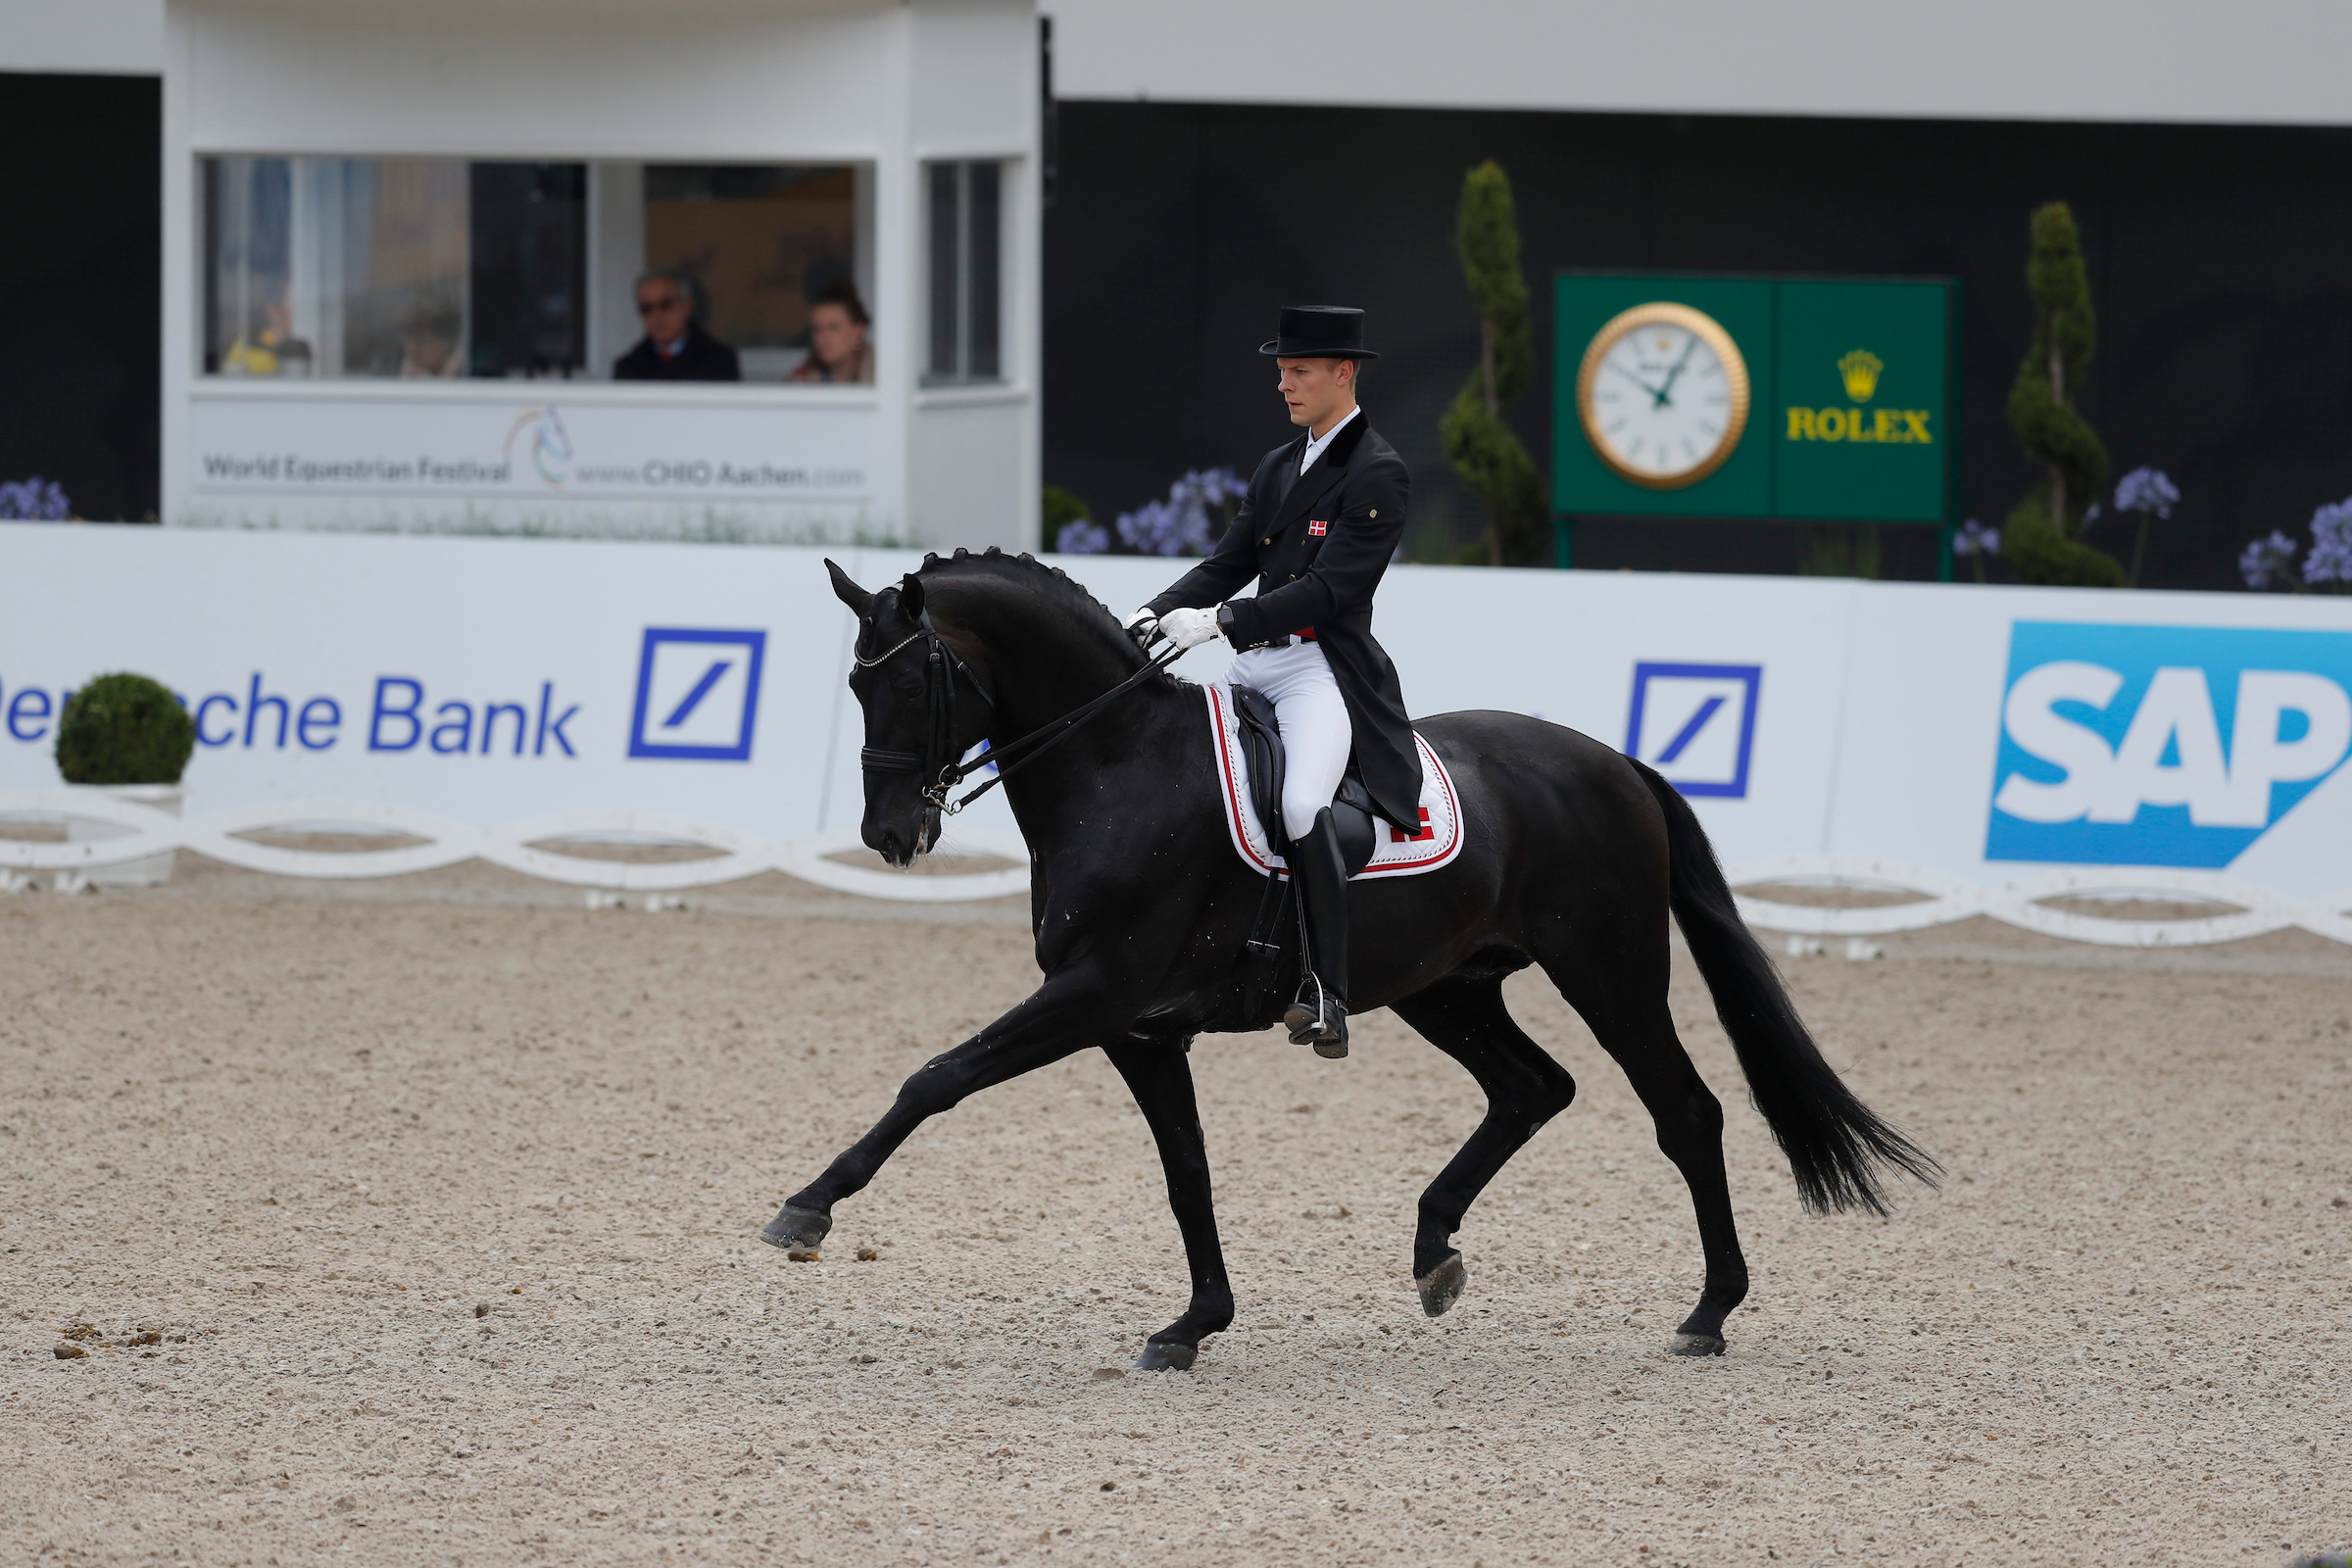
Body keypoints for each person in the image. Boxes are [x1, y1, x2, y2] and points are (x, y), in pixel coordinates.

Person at [1126, 305, 1419, 1061]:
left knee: (1297, 801)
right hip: (1253, 661)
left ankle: (1328, 989)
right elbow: (1228, 561)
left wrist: (1220, 622)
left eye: (1300, 372)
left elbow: (1332, 590)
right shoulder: (1278, 465)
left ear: (1342, 373)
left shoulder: (1378, 470)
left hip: (1320, 666)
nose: (1284, 385)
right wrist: (1155, 611)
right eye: (1282, 372)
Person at [613, 270, 741, 381]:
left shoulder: (719, 361)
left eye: (666, 305)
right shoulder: (629, 366)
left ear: (686, 306)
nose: (657, 316)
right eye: (647, 308)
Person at [788, 277, 874, 384]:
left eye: (833, 327)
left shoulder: (885, 373)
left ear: (858, 330)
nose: (823, 337)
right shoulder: (800, 380)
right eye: (817, 329)